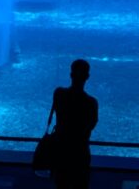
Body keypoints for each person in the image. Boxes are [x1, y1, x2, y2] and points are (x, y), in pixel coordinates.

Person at [48, 59, 99, 189]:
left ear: (71, 75)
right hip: (80, 153)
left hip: (61, 151)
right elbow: (91, 126)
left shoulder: (59, 93)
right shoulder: (91, 103)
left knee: (61, 185)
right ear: (87, 77)